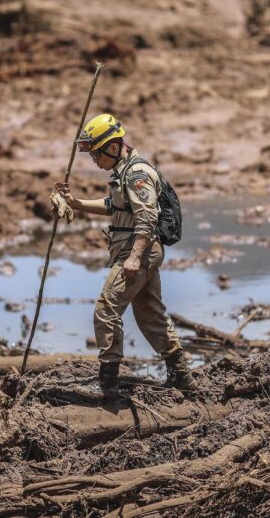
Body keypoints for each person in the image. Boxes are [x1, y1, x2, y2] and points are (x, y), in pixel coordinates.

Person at [53, 113, 195, 391]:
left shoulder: (137, 173)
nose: (95, 161)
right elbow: (114, 206)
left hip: (138, 251)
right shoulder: (124, 171)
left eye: (97, 154)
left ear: (114, 146)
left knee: (106, 309)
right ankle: (181, 376)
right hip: (137, 251)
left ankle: (108, 382)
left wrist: (133, 258)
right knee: (149, 313)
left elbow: (146, 219)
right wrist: (76, 203)